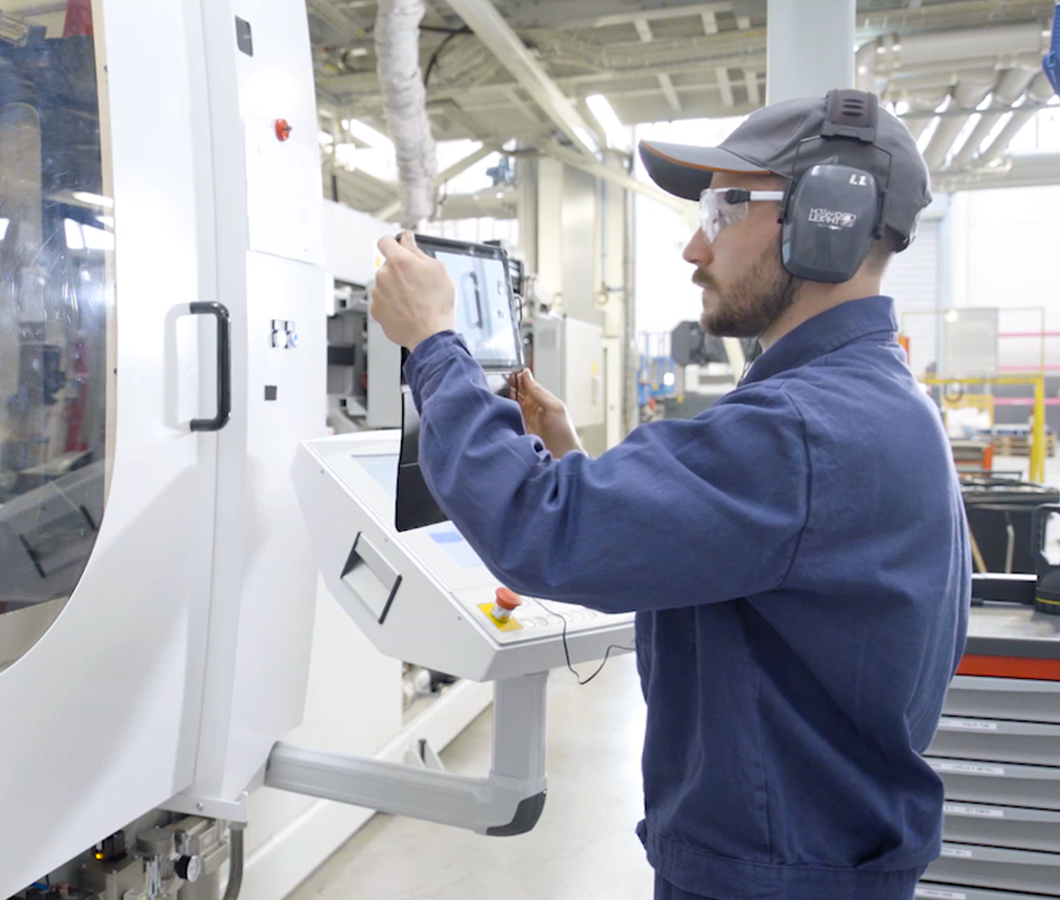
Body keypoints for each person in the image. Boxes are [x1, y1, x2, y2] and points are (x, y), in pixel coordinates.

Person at [369, 91, 969, 900]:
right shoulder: (872, 400)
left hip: (772, 879)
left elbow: (538, 532)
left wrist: (433, 345)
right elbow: (710, 557)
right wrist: (571, 457)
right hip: (810, 856)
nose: (694, 246)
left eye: (723, 209)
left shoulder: (802, 428)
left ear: (829, 214)